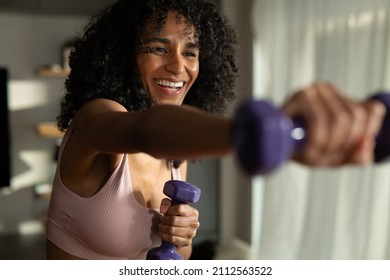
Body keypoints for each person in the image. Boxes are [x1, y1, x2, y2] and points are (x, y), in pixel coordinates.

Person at [46, 0, 385, 260]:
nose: (179, 66)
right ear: (123, 55)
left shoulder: (176, 157)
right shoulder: (98, 119)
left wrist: (182, 238)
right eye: (159, 48)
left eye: (190, 52)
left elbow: (178, 258)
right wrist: (254, 131)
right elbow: (144, 132)